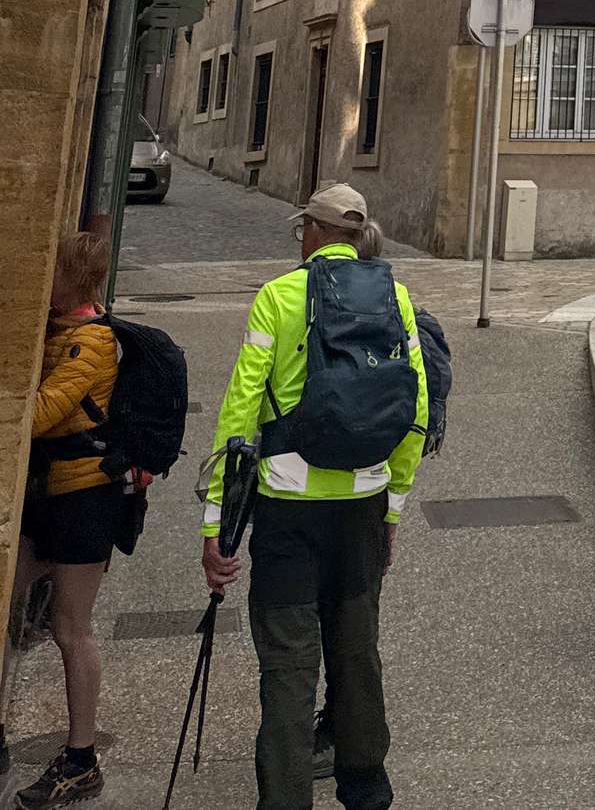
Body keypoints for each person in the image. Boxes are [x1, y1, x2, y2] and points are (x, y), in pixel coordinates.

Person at [202, 182, 428, 810]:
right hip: (363, 504)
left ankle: (285, 798)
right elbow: (416, 411)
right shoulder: (396, 297)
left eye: (303, 227)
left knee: (288, 666)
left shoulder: (277, 297)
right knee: (356, 656)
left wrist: (218, 523)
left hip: (287, 510)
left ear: (314, 232)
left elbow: (239, 415)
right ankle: (366, 789)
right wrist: (393, 507)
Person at [0, 230, 118, 805]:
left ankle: (81, 758)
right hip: (49, 496)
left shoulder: (90, 342)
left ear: (71, 278)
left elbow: (43, 414)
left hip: (85, 500)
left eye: (53, 269)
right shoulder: (61, 329)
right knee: (1, 609)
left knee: (72, 628)